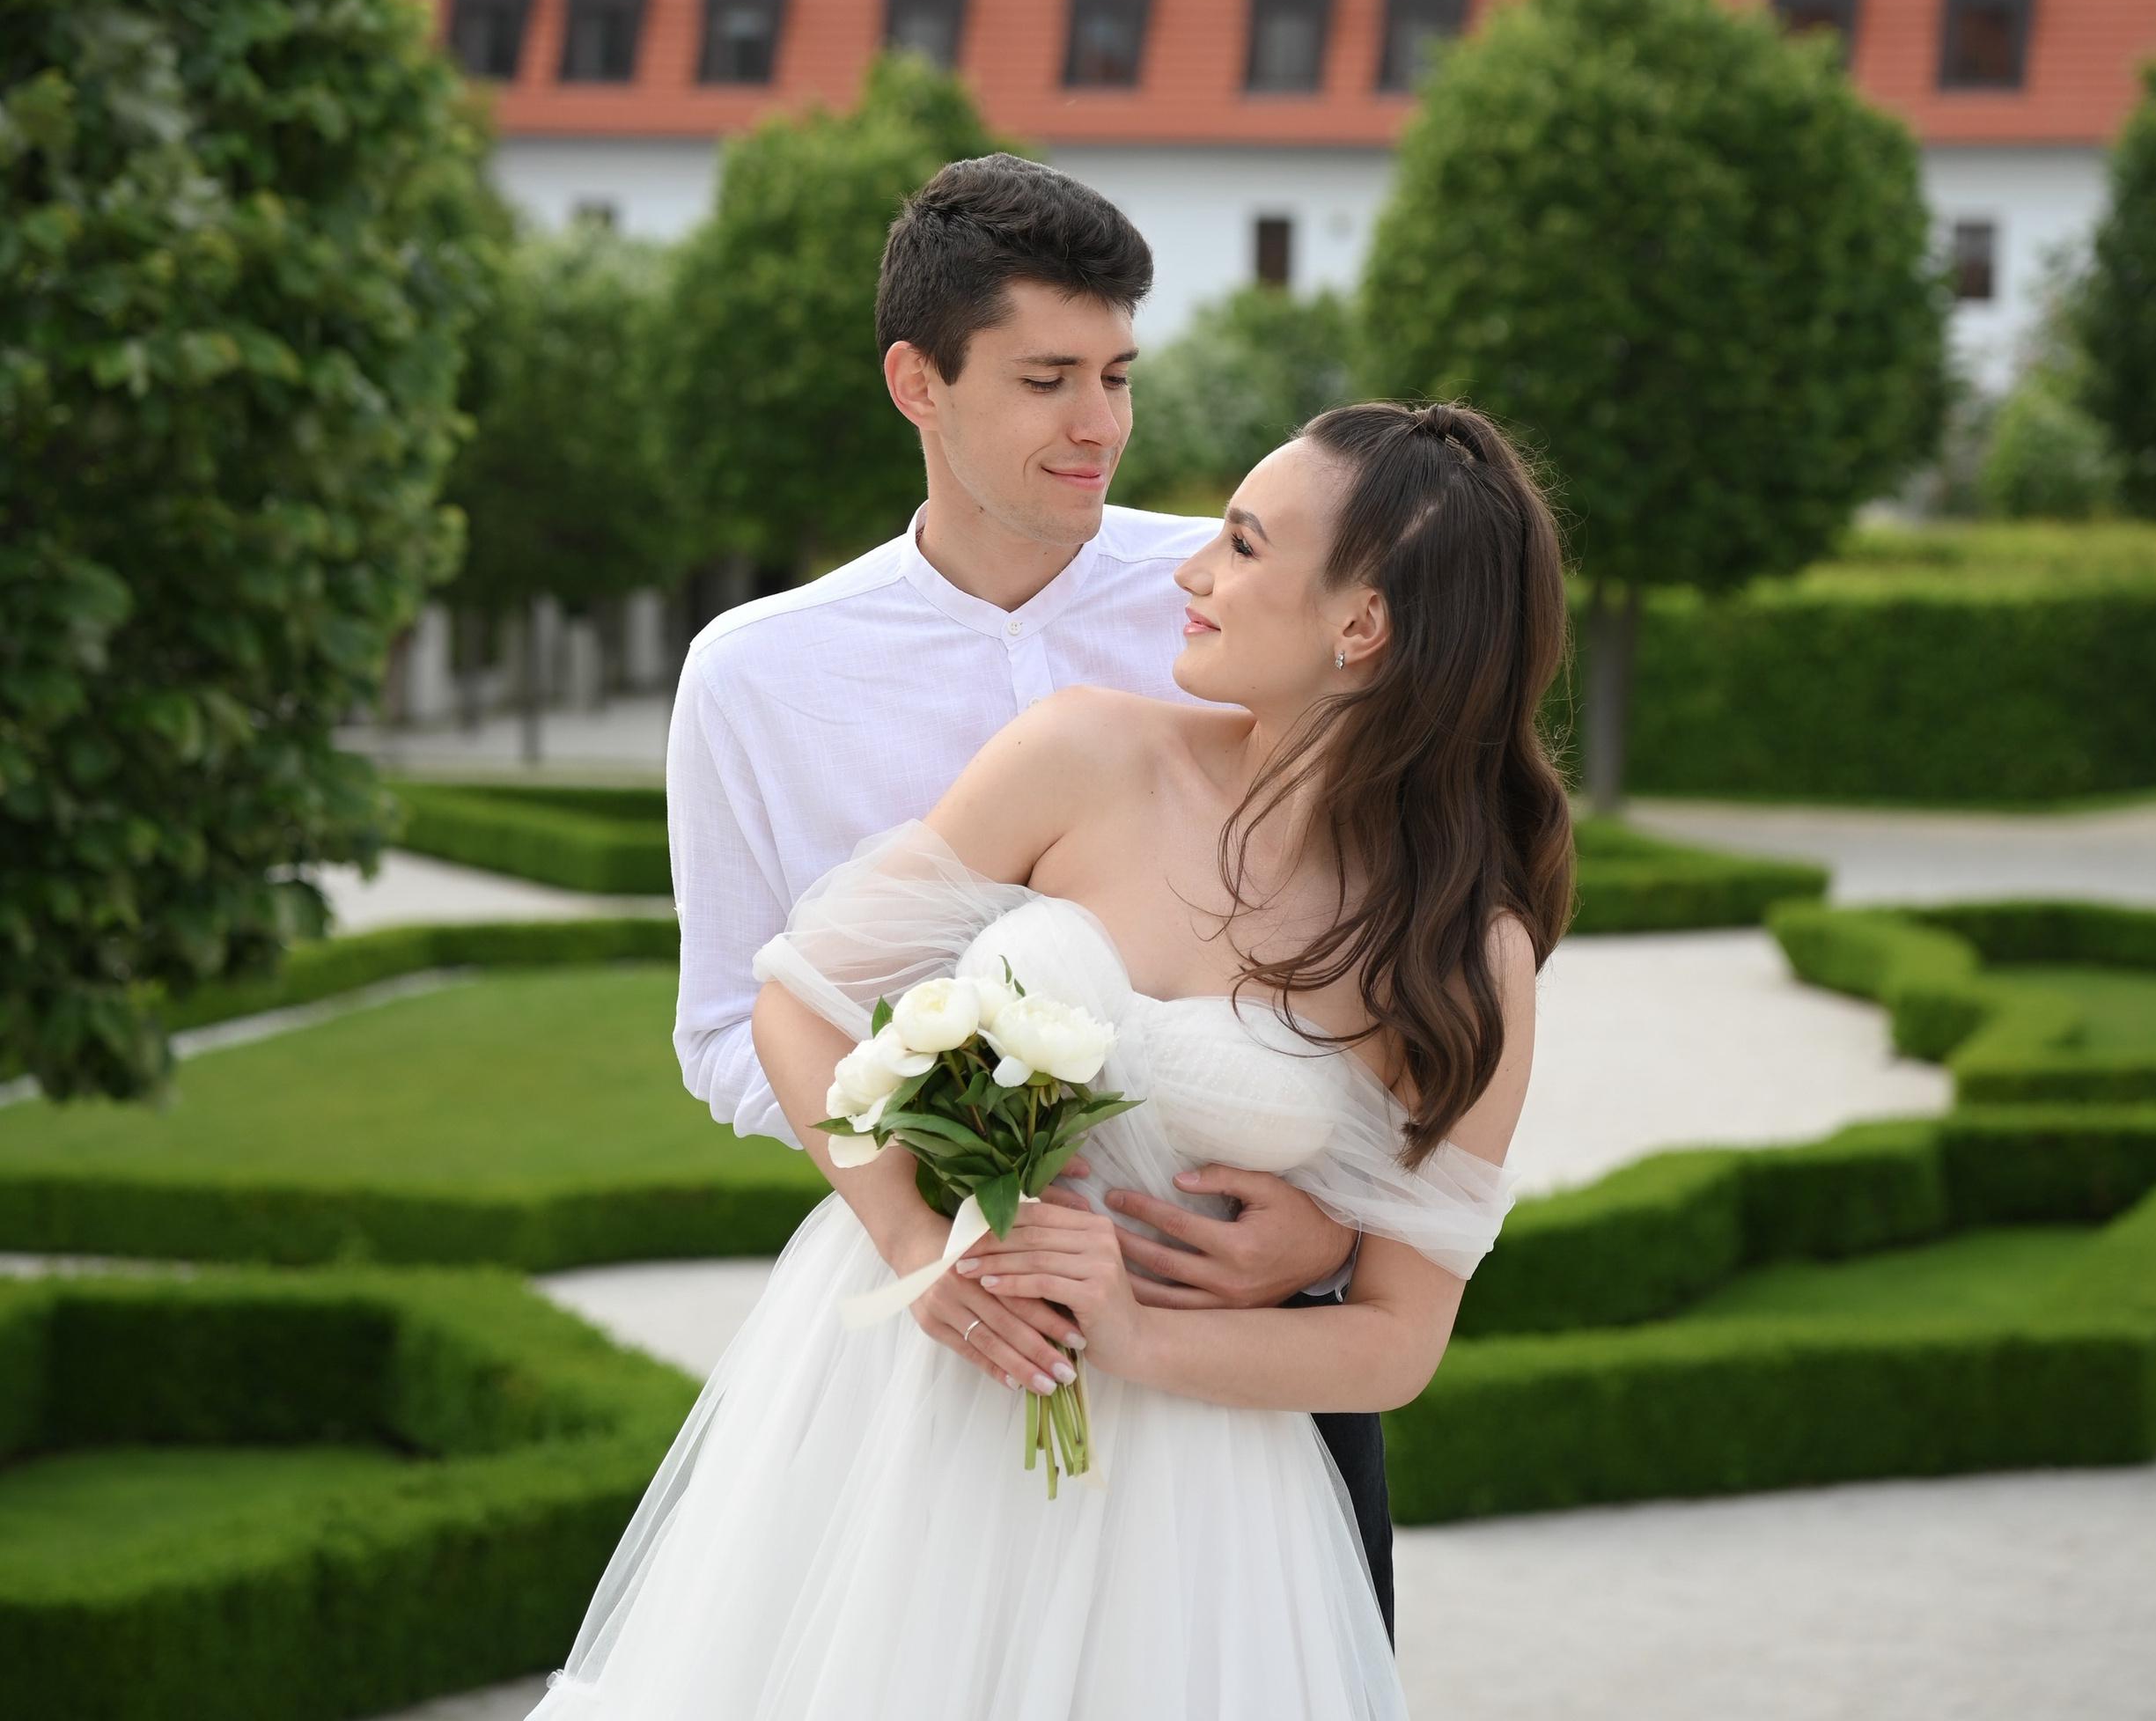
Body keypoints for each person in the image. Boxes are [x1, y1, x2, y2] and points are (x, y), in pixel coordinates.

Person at [536, 390, 1571, 1719]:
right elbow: (796, 1005)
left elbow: (1395, 1343)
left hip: (1200, 1503)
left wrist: (1134, 1333)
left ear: (1361, 626)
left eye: (1245, 547)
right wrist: (923, 1251)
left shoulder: (1461, 955)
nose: (1191, 571)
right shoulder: (1084, 752)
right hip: (905, 1411)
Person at [666, 154, 1396, 1617]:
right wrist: (931, 1215)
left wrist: (1337, 1228)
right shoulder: (756, 676)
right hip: (930, 1338)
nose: (1103, 426)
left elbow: (1400, 936)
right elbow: (731, 1030)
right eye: (1050, 378)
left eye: (1121, 373)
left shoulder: (1233, 599)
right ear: (914, 383)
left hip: (1239, 1331)